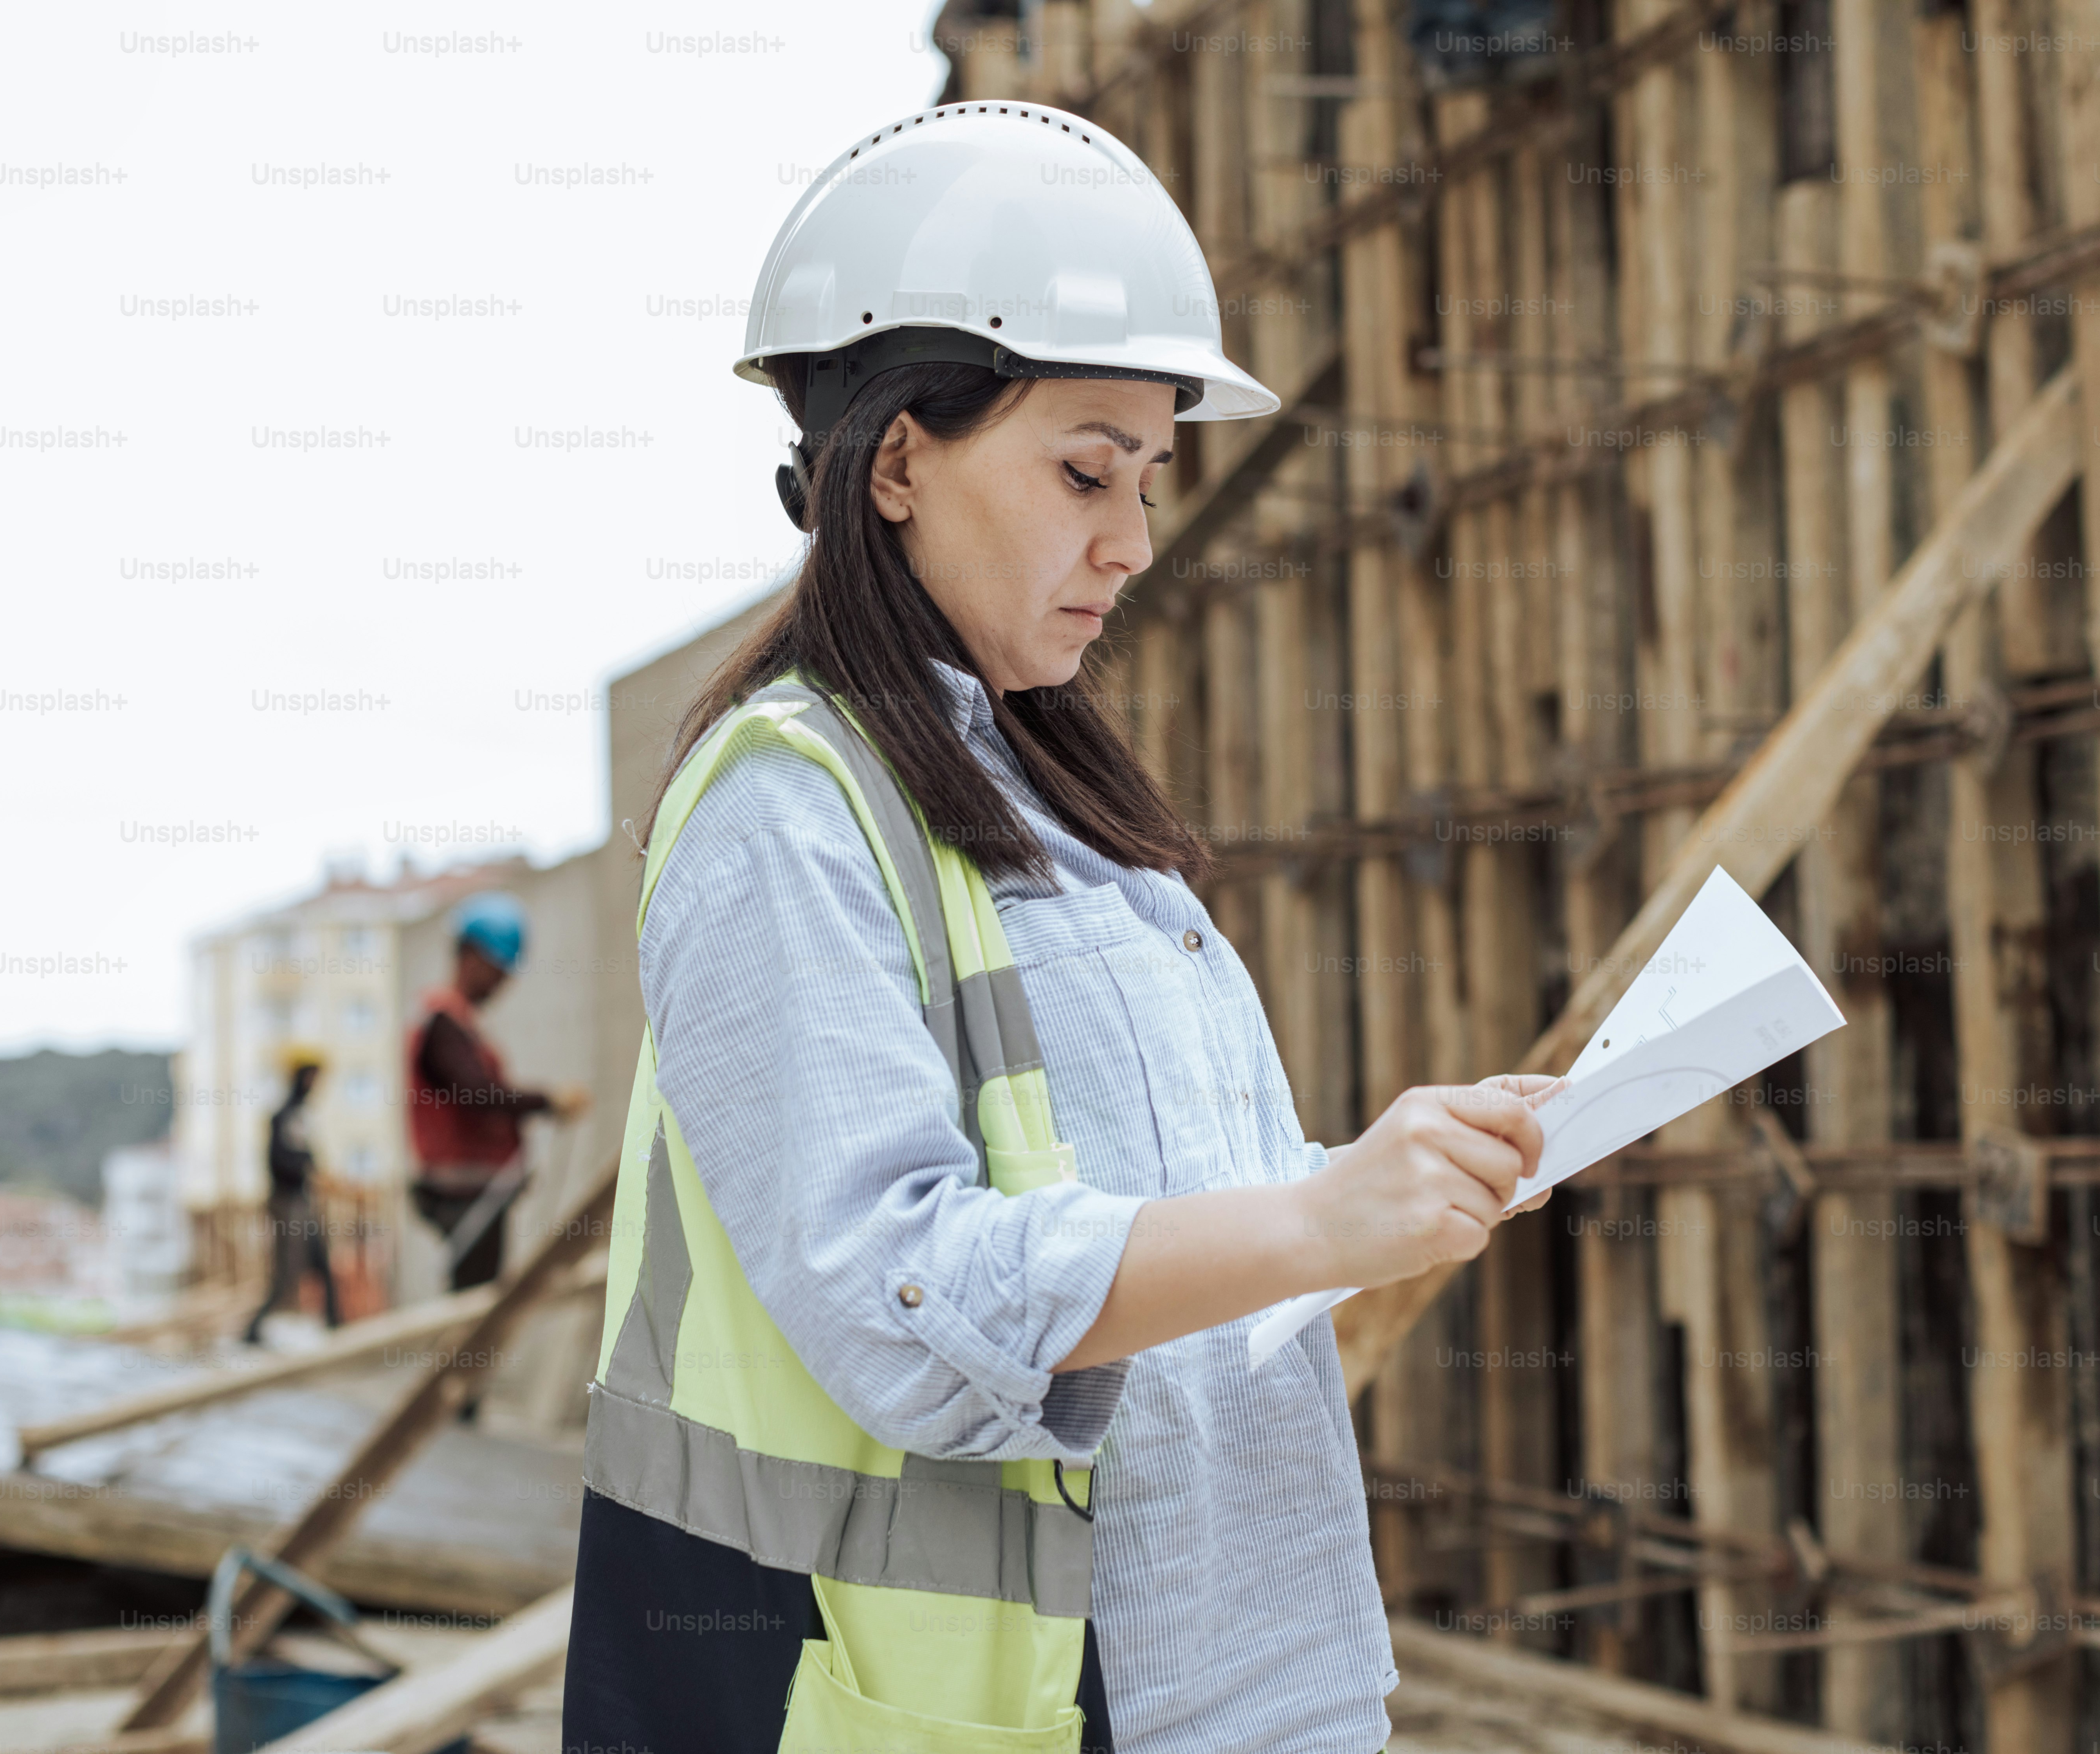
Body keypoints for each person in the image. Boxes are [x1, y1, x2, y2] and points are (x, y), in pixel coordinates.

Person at [561, 103, 1562, 1754]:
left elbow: (1164, 1212)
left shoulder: (1058, 805)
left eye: (1150, 477)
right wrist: (1318, 1219)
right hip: (1004, 1698)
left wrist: (1396, 1181)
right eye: (1084, 469)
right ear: (893, 459)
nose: (1132, 538)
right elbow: (899, 1283)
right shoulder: (785, 808)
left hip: (1258, 1664)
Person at [405, 891, 589, 1294]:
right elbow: (477, 1094)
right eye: (498, 969)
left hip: (478, 1190)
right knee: (473, 1311)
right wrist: (548, 1101)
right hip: (463, 1193)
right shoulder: (444, 1024)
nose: (503, 982)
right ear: (471, 956)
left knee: (477, 1303)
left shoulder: (460, 1024)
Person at [245, 1047, 341, 1345]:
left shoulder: (300, 1117)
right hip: (289, 1205)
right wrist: (310, 1173)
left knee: (323, 1265)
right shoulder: (284, 1116)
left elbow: (308, 1159)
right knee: (288, 1276)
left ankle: (338, 1328)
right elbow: (283, 1162)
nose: (315, 1083)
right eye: (311, 1076)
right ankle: (250, 1337)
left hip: (302, 1202)